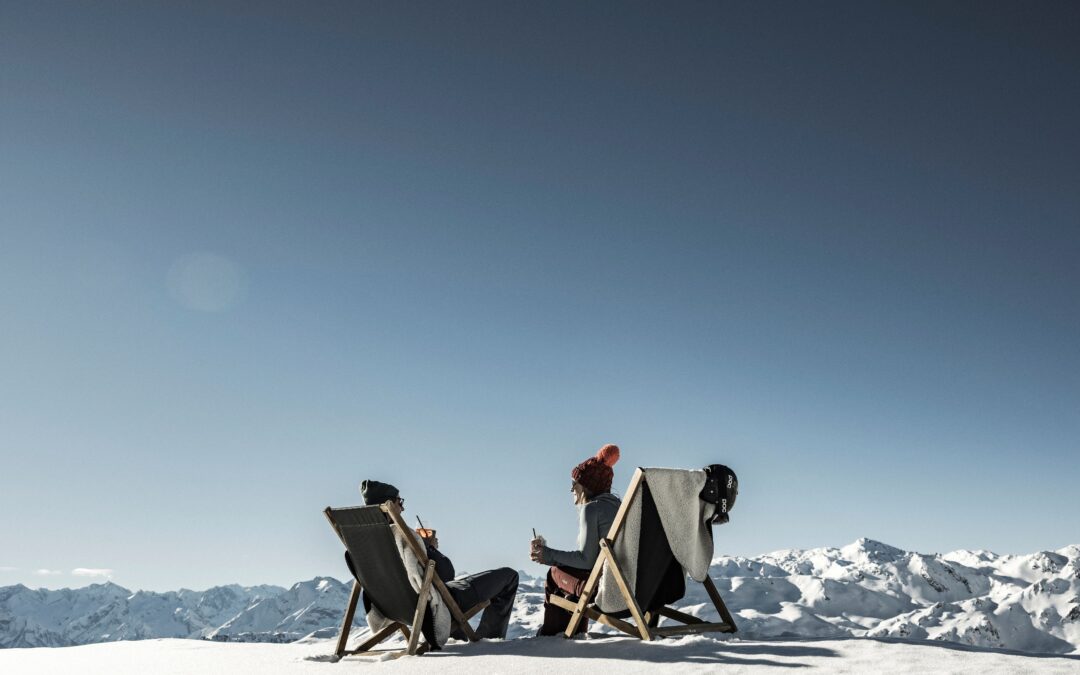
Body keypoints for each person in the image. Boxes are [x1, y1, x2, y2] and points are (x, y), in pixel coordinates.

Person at [344, 479, 519, 641]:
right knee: (509, 576)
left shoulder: (361, 544)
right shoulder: (402, 536)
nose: (403, 508)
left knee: (451, 591)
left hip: (396, 608)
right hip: (428, 605)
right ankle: (490, 640)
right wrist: (429, 548)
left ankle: (458, 636)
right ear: (387, 504)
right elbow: (445, 573)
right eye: (400, 502)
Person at [530, 444, 621, 636]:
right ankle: (571, 633)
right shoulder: (620, 508)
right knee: (570, 575)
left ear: (588, 485)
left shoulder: (592, 509)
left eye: (575, 482)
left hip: (606, 591)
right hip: (629, 588)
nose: (571, 487)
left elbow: (586, 561)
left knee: (554, 573)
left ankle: (550, 637)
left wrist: (548, 555)